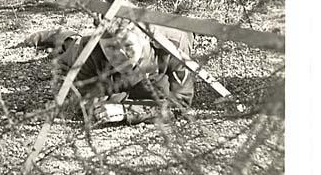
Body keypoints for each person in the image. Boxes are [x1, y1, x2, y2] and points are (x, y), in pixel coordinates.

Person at [22, 18, 195, 125]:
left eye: (127, 46)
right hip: (90, 54)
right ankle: (58, 34)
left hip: (156, 53)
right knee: (70, 49)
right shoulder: (91, 52)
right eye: (111, 48)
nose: (121, 55)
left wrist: (127, 111)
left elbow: (181, 104)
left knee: (160, 89)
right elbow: (85, 101)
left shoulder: (174, 46)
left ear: (143, 38)